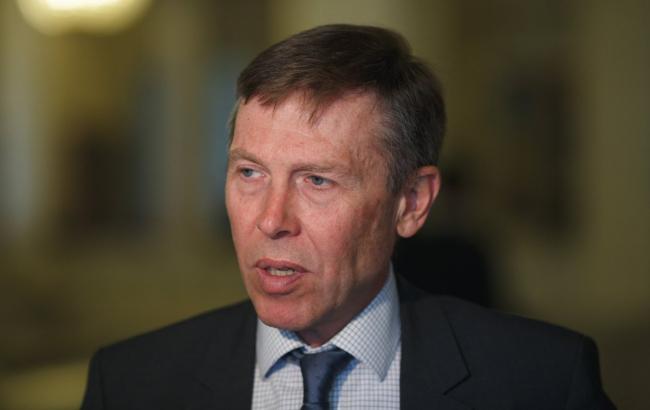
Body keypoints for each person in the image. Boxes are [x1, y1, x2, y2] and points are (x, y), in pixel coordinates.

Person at [80, 24, 615, 410]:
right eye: (250, 172)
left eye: (317, 180)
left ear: (412, 202)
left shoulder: (542, 381)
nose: (271, 220)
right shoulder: (129, 384)